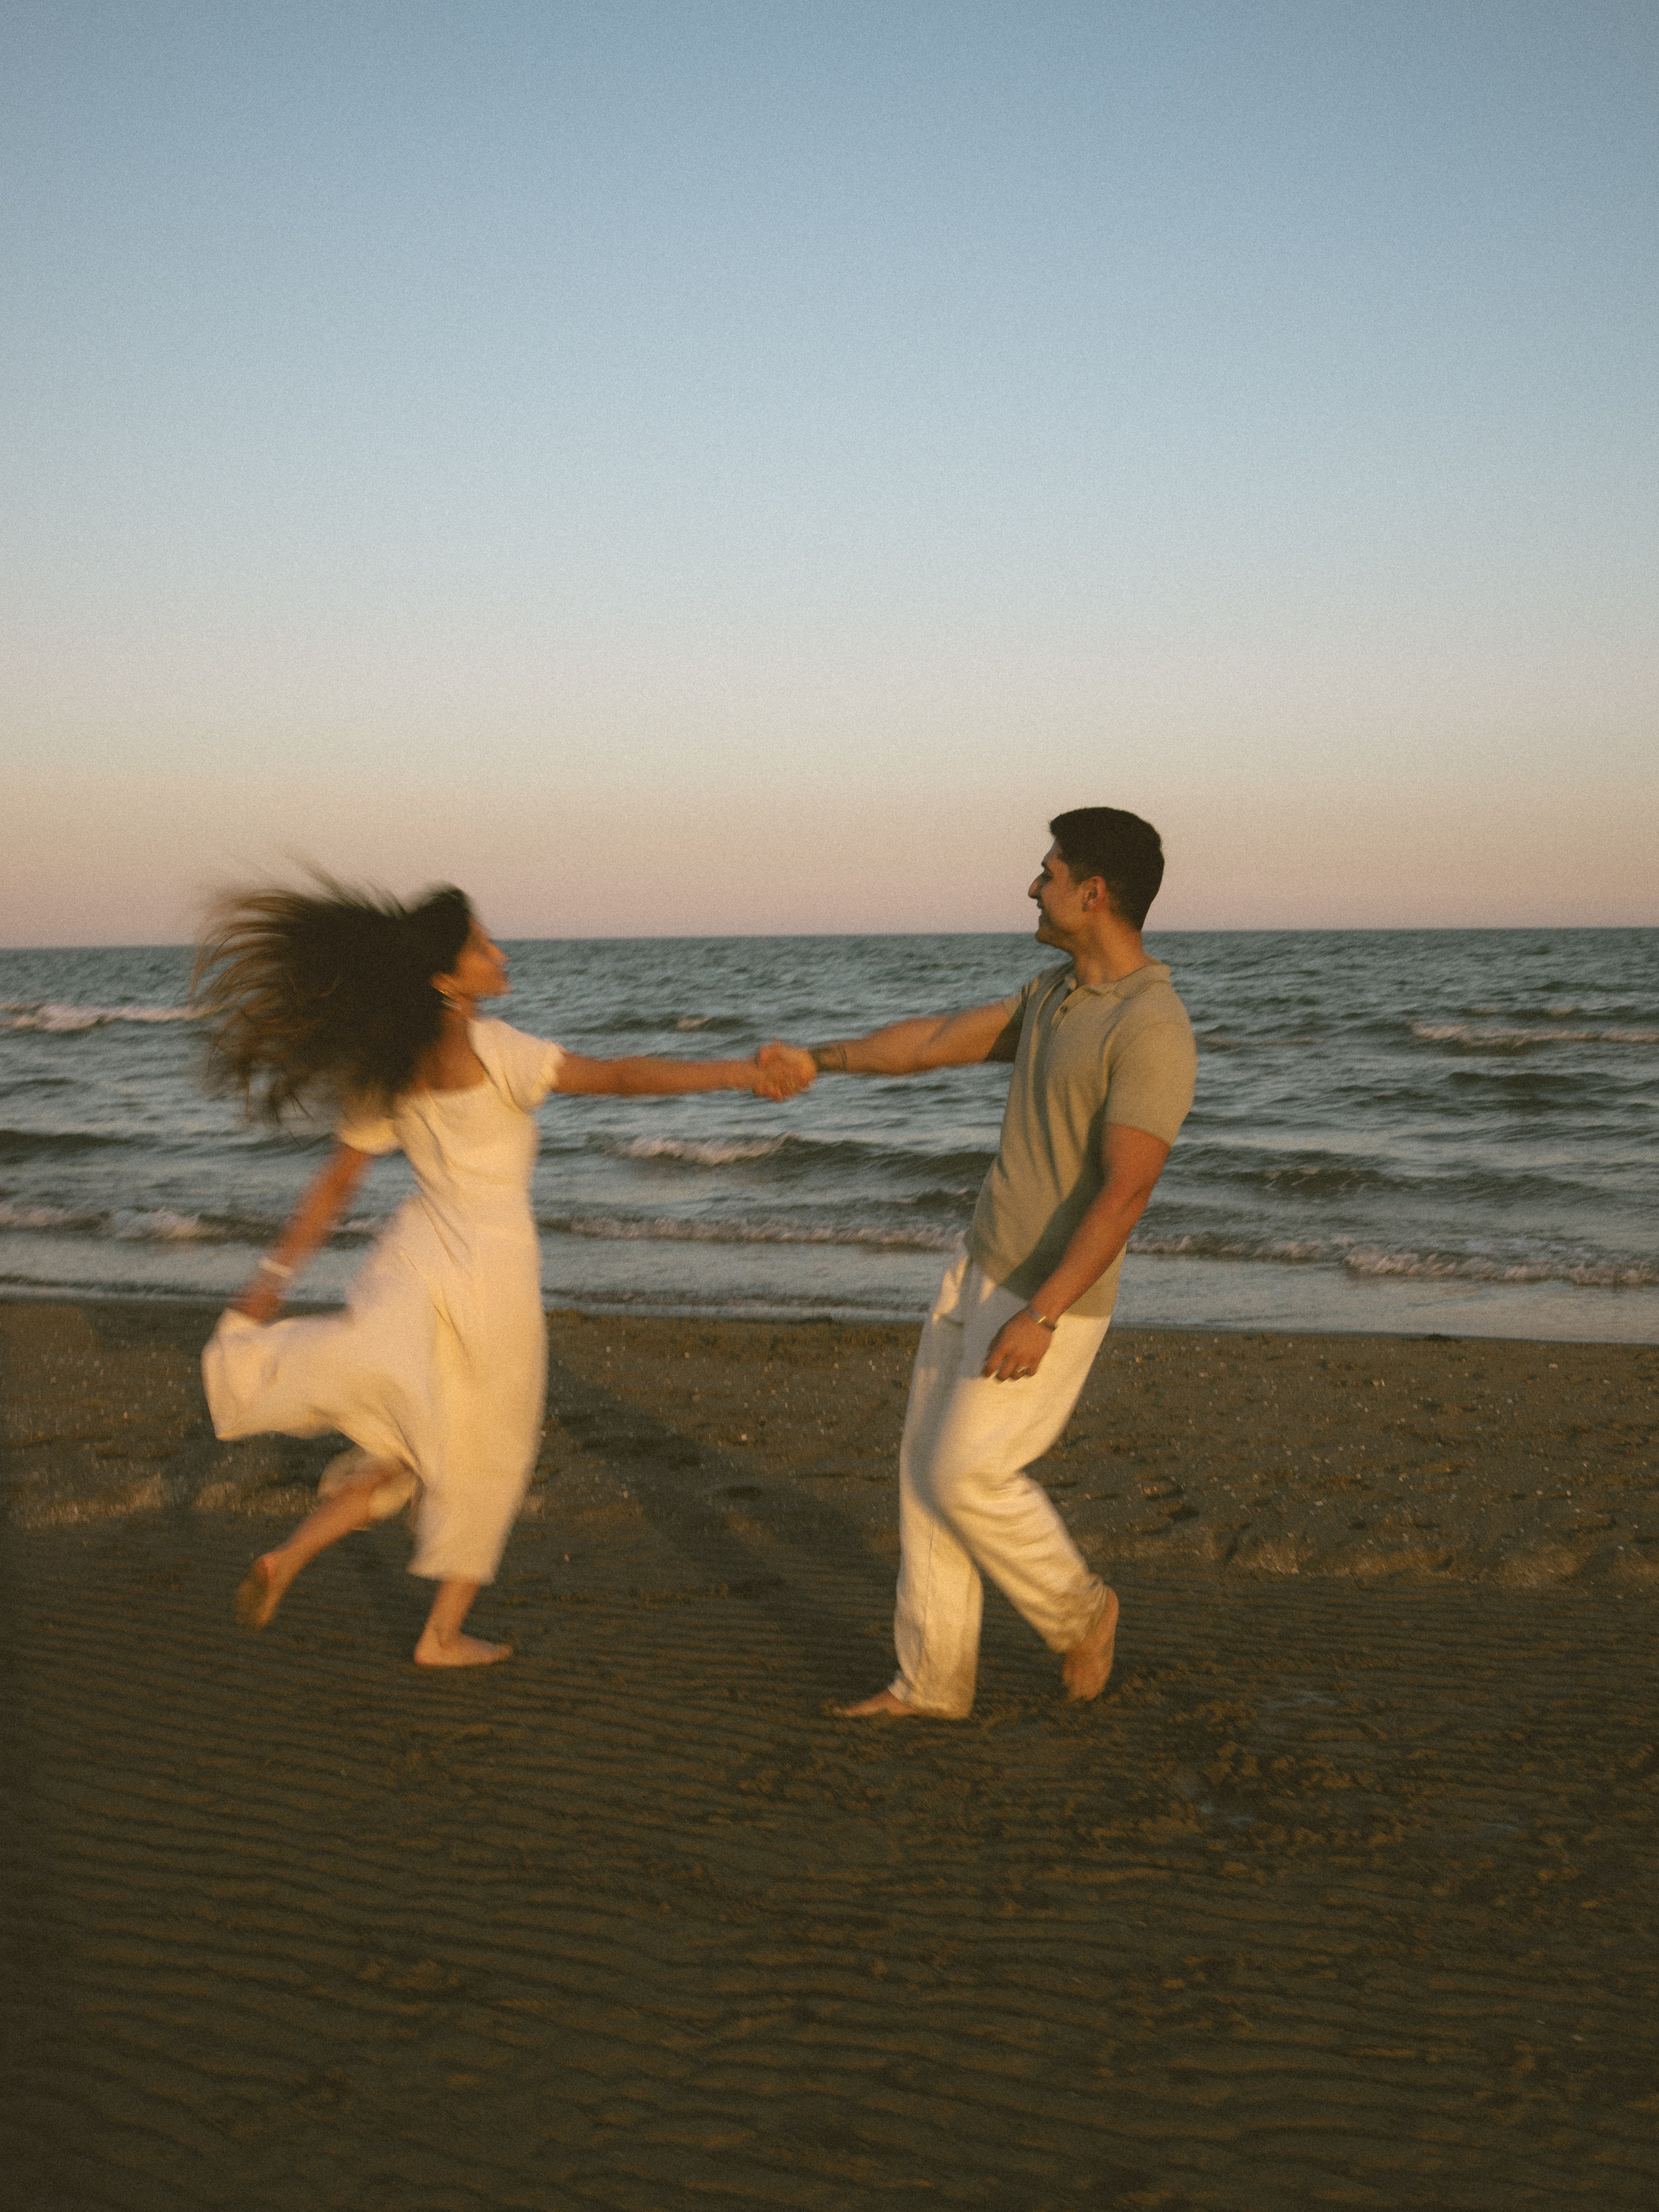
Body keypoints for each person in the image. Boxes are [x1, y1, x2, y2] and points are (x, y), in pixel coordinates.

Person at [196, 878, 810, 1667]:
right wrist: (739, 1074)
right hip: (491, 1273)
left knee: (402, 1442)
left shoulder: (388, 1066)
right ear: (447, 981)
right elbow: (618, 1076)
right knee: (490, 1450)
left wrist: (269, 1282)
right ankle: (441, 1633)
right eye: (483, 947)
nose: (502, 953)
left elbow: (337, 1183)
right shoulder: (499, 1053)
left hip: (413, 1260)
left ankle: (289, 1555)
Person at [763, 809, 1196, 1719]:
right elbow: (933, 1041)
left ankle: (1083, 1612)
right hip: (981, 1265)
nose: (1031, 887)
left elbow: (1126, 1192)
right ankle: (932, 1682)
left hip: (1050, 1295)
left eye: (1046, 872)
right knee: (926, 1474)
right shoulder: (1053, 995)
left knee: (969, 1473)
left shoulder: (1151, 1026)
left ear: (1095, 892)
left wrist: (1042, 1313)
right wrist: (820, 1058)